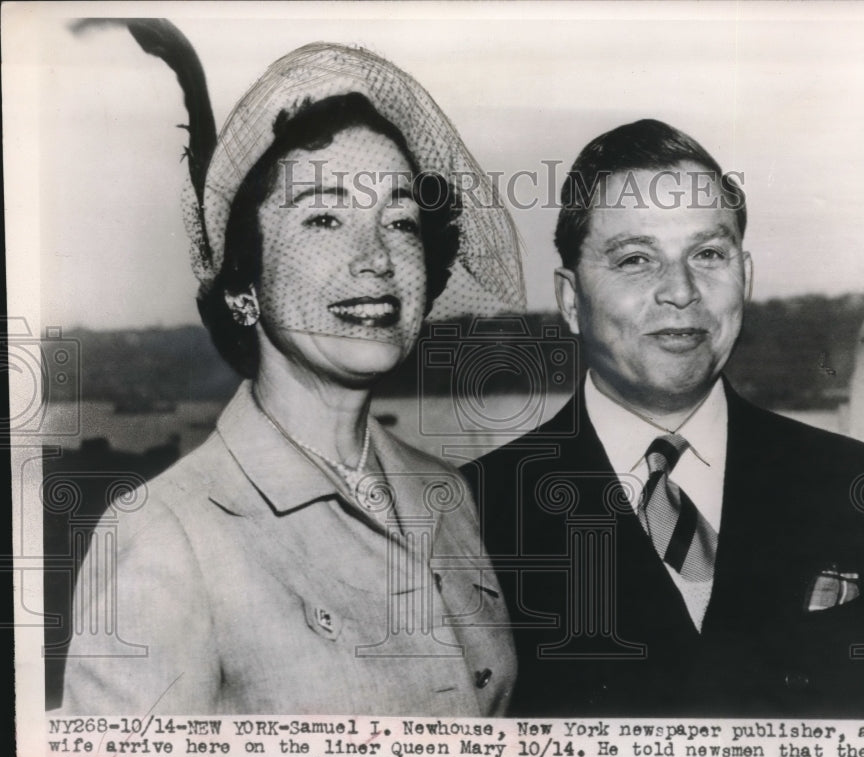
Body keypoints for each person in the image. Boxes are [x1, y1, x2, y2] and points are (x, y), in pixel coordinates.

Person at [60, 43, 524, 715]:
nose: (377, 259)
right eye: (324, 218)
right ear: (244, 286)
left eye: (400, 220)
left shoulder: (447, 495)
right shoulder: (168, 533)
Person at [465, 119, 864, 718]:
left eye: (708, 254)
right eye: (636, 259)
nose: (681, 290)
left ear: (746, 278)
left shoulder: (849, 478)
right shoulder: (478, 509)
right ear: (569, 300)